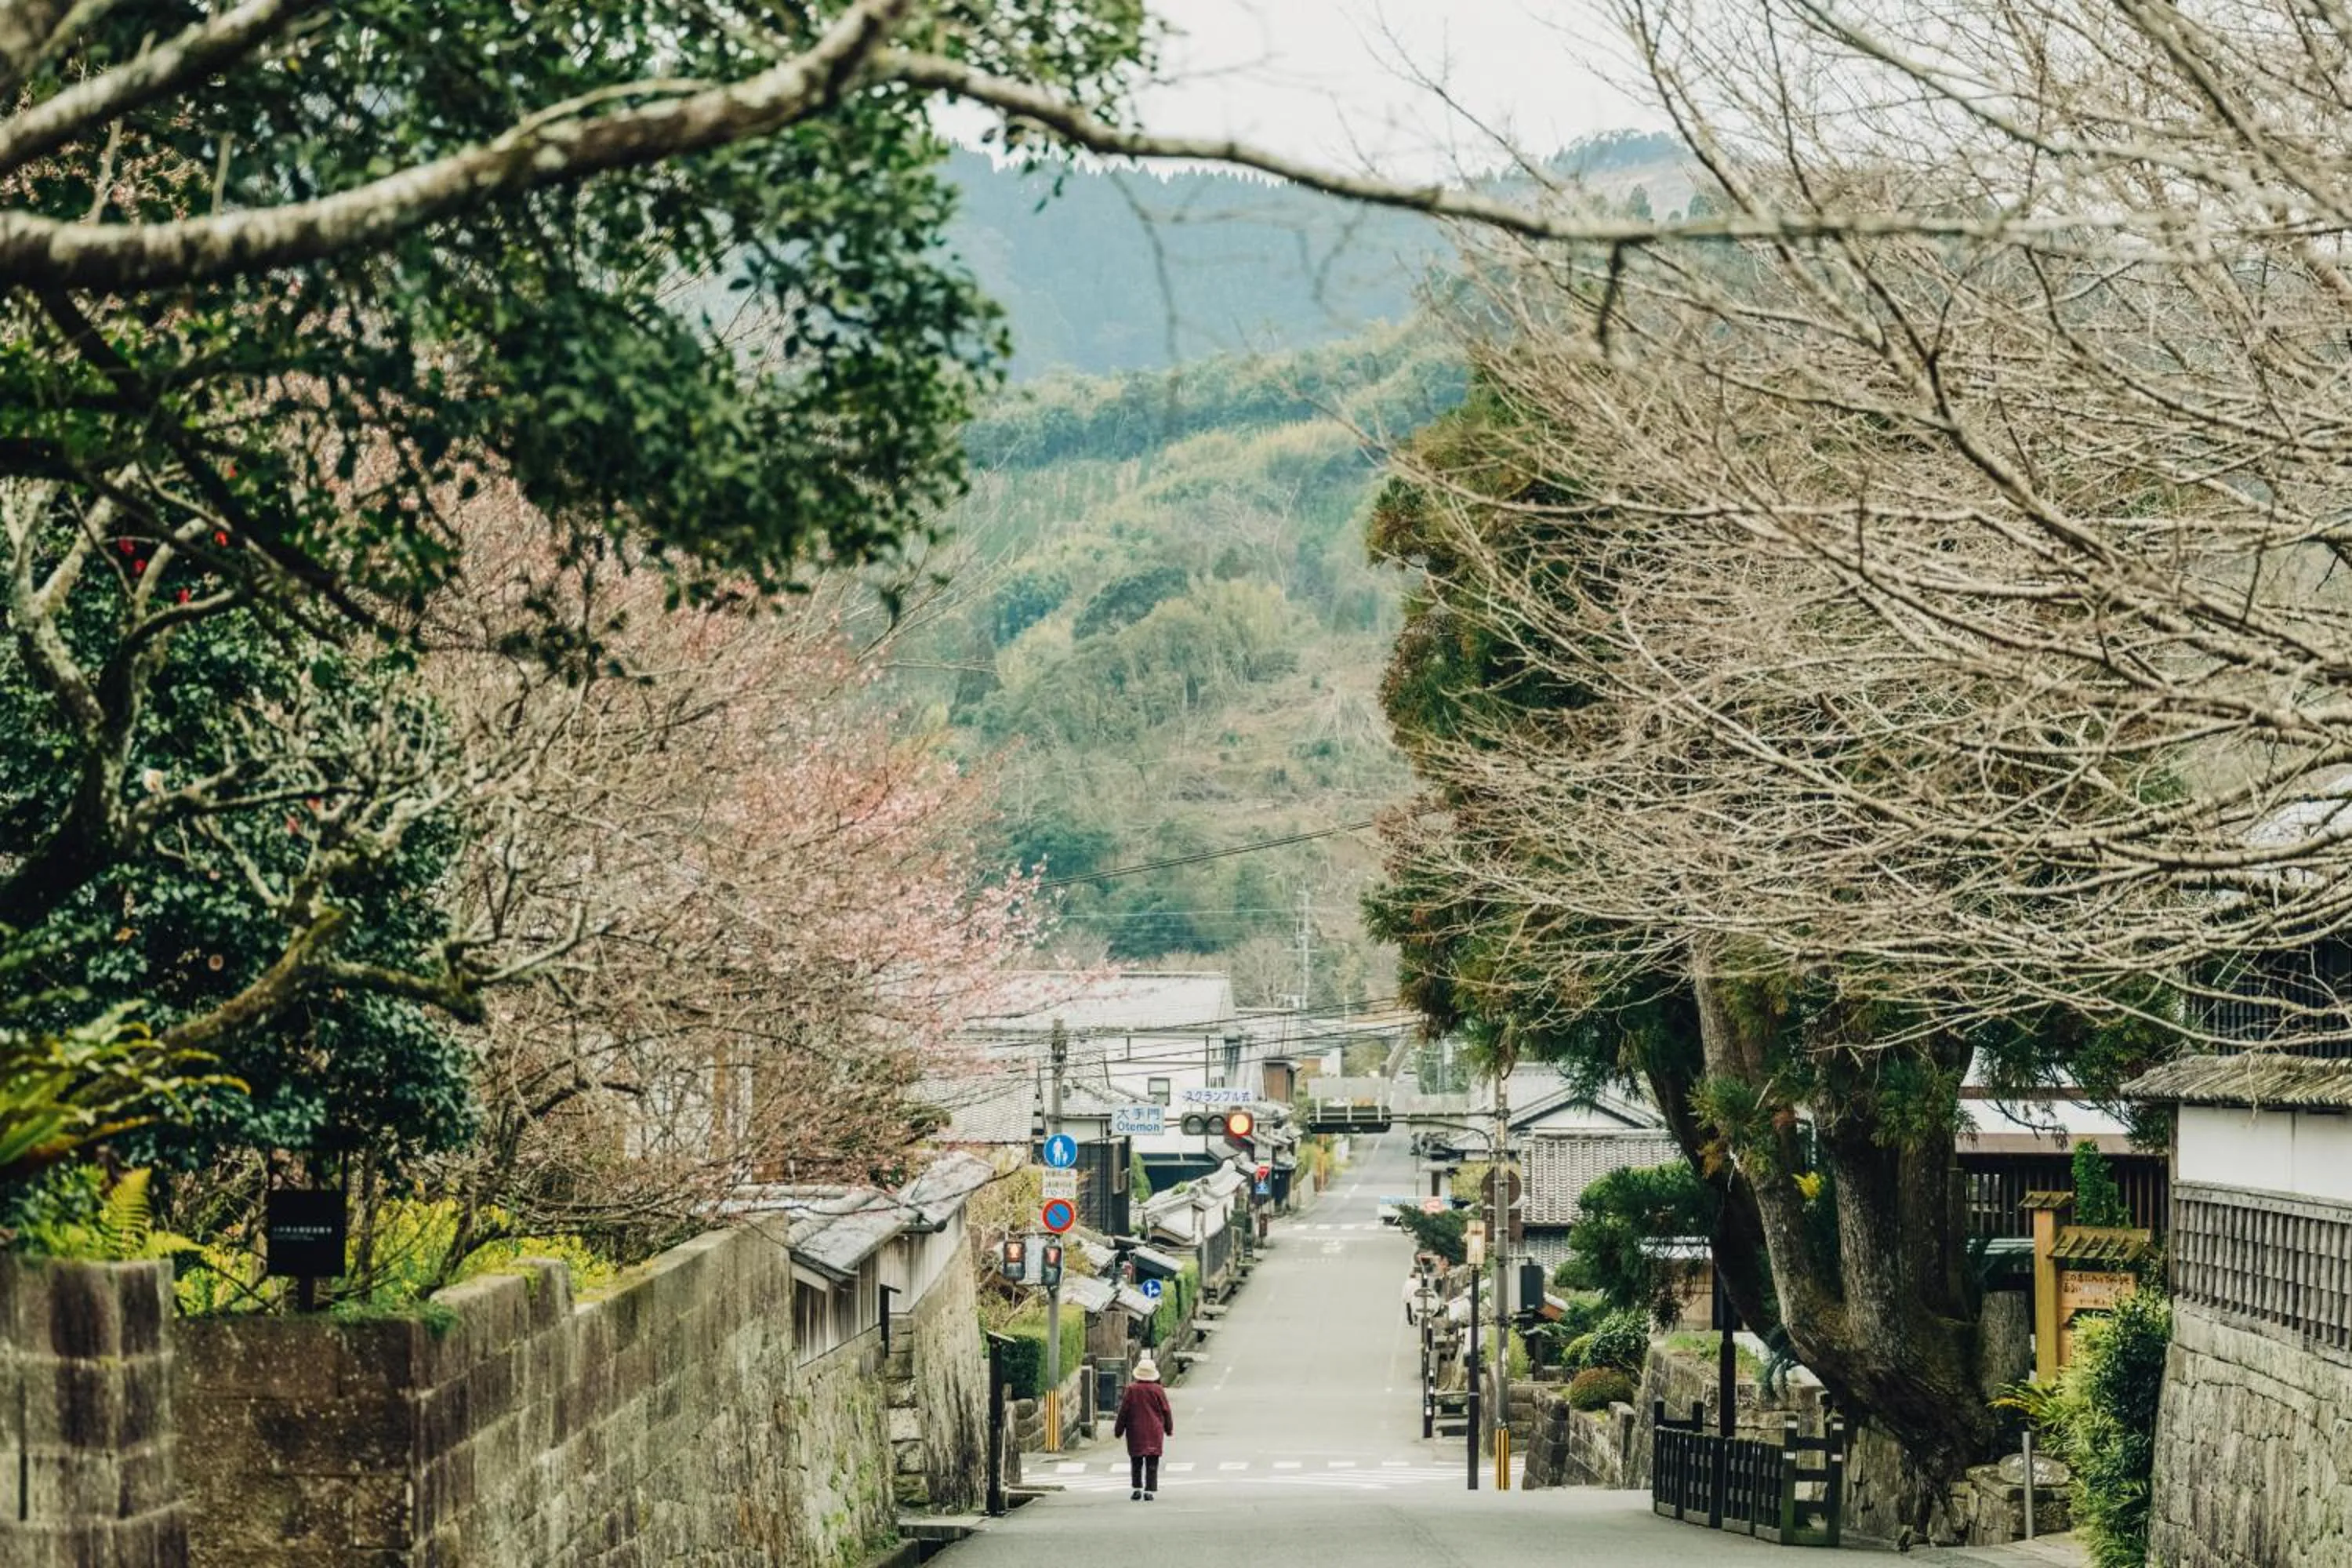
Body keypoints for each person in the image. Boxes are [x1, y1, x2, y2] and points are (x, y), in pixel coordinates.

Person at [1112, 1356, 1173, 1501]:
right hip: (1154, 1430)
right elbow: (1166, 1411)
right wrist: (1168, 1429)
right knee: (1152, 1461)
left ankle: (1137, 1488)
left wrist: (1118, 1430)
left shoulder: (1132, 1390)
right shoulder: (1158, 1390)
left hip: (1135, 1430)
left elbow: (1124, 1411)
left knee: (1136, 1461)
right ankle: (1149, 1491)